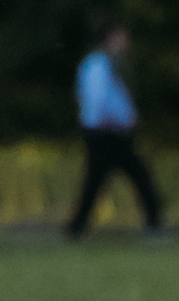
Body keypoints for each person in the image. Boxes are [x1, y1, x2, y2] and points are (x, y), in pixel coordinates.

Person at [68, 22, 165, 237]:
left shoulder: (109, 65)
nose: (126, 43)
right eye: (122, 37)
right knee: (133, 176)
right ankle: (154, 224)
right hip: (106, 134)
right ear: (110, 38)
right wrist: (118, 121)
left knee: (100, 180)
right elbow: (99, 101)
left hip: (112, 133)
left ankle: (77, 227)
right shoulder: (97, 65)